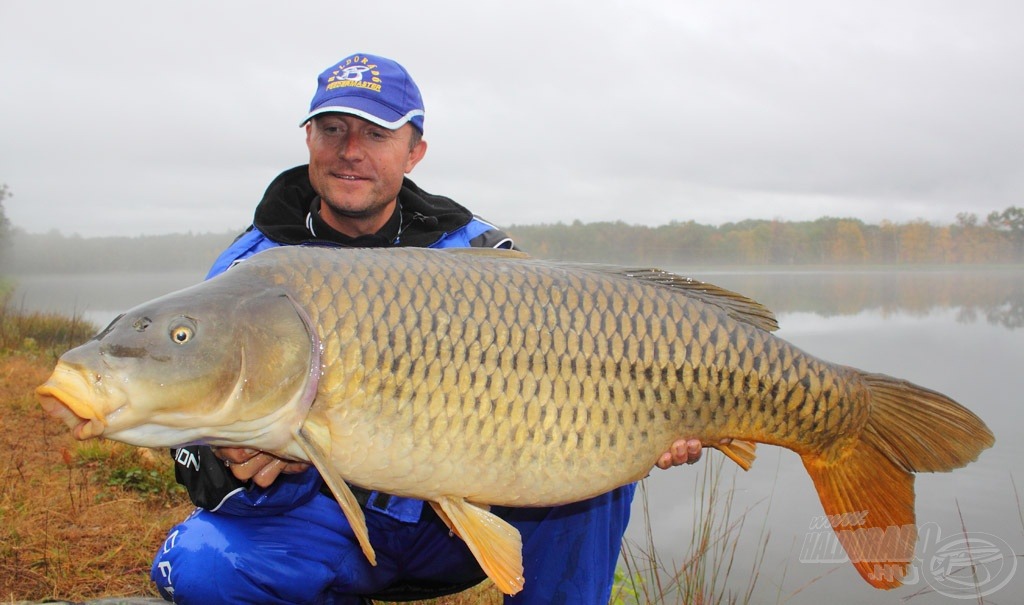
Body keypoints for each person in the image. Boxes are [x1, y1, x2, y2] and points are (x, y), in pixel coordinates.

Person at [150, 52, 704, 605]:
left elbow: (575, 369)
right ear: (309, 140)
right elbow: (193, 461)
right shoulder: (248, 273)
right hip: (321, 525)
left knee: (597, 485)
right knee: (197, 568)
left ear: (414, 152)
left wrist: (651, 421)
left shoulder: (478, 251)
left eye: (376, 133)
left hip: (459, 526)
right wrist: (231, 457)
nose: (350, 150)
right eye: (333, 129)